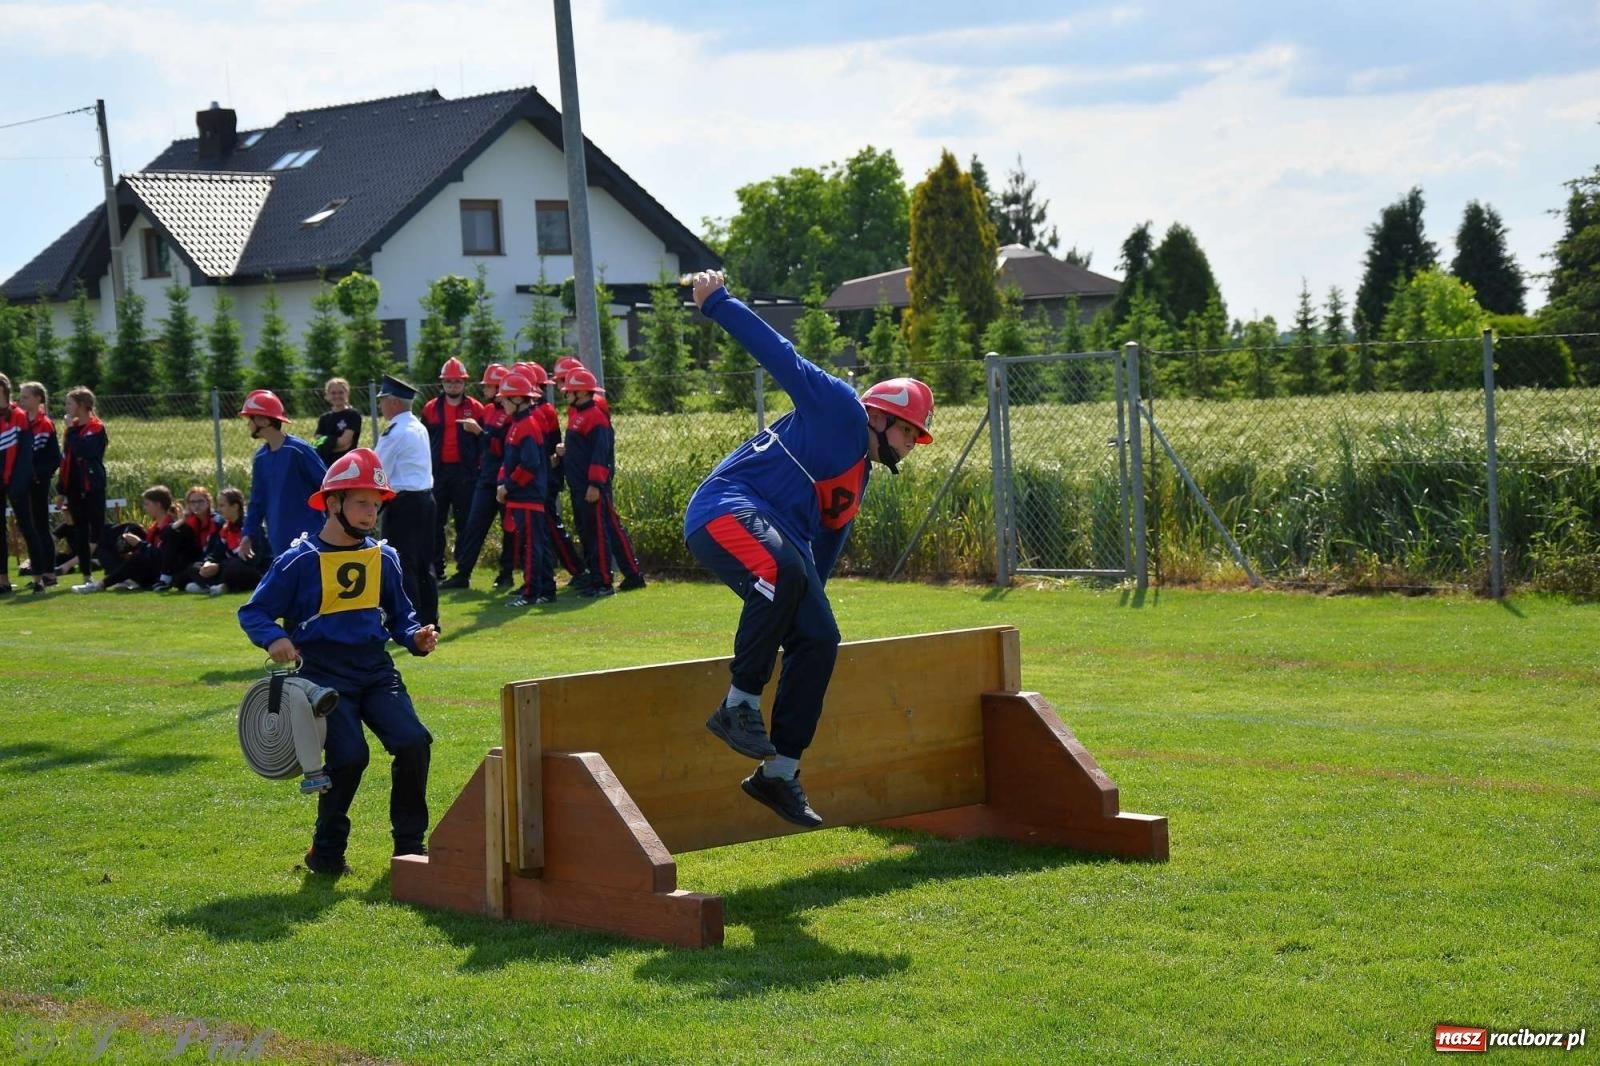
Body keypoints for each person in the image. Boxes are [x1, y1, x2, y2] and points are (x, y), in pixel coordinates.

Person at [685, 269, 934, 829]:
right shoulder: (840, 406)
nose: (914, 445)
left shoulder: (857, 483)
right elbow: (781, 355)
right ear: (883, 415)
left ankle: (779, 774)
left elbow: (816, 565)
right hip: (723, 508)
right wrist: (717, 302)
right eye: (910, 433)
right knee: (784, 567)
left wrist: (798, 617)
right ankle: (739, 705)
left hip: (780, 547)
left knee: (821, 637)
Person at [237, 448, 438, 876]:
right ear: (333, 503)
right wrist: (274, 637)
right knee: (349, 757)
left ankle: (409, 847)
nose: (371, 512)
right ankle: (326, 853)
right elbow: (252, 612)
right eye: (362, 502)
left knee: (413, 742)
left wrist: (416, 638)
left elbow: (402, 618)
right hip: (323, 675)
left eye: (376, 503)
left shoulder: (385, 557)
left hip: (376, 669)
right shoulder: (298, 560)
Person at [561, 366, 644, 598]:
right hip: (580, 485)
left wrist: (595, 484)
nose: (565, 394)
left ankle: (603, 582)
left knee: (598, 534)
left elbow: (600, 454)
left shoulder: (595, 417)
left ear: (583, 393)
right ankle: (602, 577)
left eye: (570, 391)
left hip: (591, 487)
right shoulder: (578, 414)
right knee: (589, 531)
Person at [373, 375, 438, 629]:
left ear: (393, 403)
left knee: (401, 564)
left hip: (404, 503)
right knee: (424, 563)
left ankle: (408, 621)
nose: (381, 407)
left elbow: (379, 471)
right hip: (425, 499)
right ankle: (429, 619)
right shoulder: (417, 426)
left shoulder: (395, 432)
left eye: (383, 401)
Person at [441, 362, 512, 590]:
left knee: (509, 528)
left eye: (489, 386)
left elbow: (500, 447)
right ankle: (463, 573)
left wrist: (479, 432)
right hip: (486, 477)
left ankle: (506, 573)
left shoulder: (510, 414)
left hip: (504, 478)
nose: (484, 390)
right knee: (474, 525)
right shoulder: (488, 410)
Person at [238, 389, 326, 566]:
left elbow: (326, 485)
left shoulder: (298, 450)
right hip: (278, 537)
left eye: (251, 419)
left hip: (309, 535)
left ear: (264, 420)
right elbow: (257, 500)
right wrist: (248, 534)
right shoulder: (260, 458)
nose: (248, 424)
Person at [420, 357, 486, 580]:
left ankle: (462, 570)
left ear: (464, 383)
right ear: (442, 384)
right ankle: (436, 569)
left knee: (465, 522)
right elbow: (423, 440)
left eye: (457, 382)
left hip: (465, 474)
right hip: (438, 473)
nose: (453, 386)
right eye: (449, 382)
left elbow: (485, 442)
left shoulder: (476, 408)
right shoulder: (430, 409)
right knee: (435, 522)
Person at [494, 372, 555, 607]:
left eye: (506, 399)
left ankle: (530, 594)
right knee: (537, 544)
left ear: (519, 399)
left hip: (527, 495)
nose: (502, 403)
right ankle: (546, 590)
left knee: (532, 547)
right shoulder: (517, 424)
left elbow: (530, 465)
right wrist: (503, 484)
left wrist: (508, 486)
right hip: (521, 495)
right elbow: (508, 460)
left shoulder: (527, 426)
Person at [74, 484, 177, 593]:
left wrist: (139, 544)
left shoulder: (171, 528)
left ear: (158, 505)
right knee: (108, 550)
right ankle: (123, 581)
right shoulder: (155, 527)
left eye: (147, 504)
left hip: (162, 573)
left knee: (137, 558)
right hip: (151, 569)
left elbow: (162, 556)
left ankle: (101, 585)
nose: (144, 507)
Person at [59, 387, 108, 593]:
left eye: (70, 404)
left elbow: (86, 452)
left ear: (81, 406)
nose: (67, 408)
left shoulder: (96, 428)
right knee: (80, 531)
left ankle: (111, 570)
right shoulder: (73, 429)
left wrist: (71, 431)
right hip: (74, 488)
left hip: (93, 486)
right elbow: (67, 460)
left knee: (97, 531)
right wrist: (61, 489)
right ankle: (86, 574)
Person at [18, 382, 61, 592]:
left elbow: (54, 457)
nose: (21, 401)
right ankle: (38, 571)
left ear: (38, 399)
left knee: (41, 526)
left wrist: (38, 475)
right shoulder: (22, 422)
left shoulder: (45, 424)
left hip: (36, 483)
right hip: (21, 481)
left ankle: (49, 573)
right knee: (29, 527)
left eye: (25, 397)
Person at [178, 487, 262, 595]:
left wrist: (219, 567)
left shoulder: (249, 527)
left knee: (234, 567)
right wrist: (208, 563)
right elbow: (217, 552)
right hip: (226, 567)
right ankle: (218, 587)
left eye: (222, 505)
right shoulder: (226, 528)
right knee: (195, 567)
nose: (219, 509)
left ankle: (210, 586)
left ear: (235, 506)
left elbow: (253, 559)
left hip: (249, 568)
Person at [0, 373, 37, 596]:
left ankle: (39, 577)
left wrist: (17, 482)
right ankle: (3, 580)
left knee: (27, 526)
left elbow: (25, 454)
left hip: (15, 481)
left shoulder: (19, 416)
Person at [312, 377, 362, 468]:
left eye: (341, 392)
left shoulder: (353, 415)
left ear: (347, 393)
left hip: (346, 463)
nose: (337, 396)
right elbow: (317, 441)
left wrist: (326, 443)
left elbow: (344, 443)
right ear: (327, 395)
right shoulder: (324, 418)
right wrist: (334, 442)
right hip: (325, 464)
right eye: (333, 393)